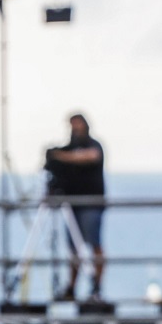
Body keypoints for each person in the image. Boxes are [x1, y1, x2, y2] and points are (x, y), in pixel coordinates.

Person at [45, 113, 106, 301]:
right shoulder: (69, 149)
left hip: (91, 203)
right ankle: (72, 287)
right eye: (73, 125)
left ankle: (96, 287)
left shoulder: (93, 145)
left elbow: (90, 157)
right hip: (72, 204)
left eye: (78, 125)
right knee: (73, 248)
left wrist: (59, 156)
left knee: (94, 244)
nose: (75, 129)